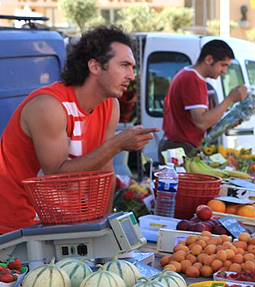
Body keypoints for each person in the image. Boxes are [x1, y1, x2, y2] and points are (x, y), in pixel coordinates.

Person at [0, 26, 158, 233]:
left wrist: (104, 224)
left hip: (56, 219)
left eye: (132, 67)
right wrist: (117, 145)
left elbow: (105, 171)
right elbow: (55, 178)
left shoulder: (110, 105)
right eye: (124, 65)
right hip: (15, 222)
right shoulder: (49, 106)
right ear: (94, 66)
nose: (132, 75)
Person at [159, 39, 247, 159]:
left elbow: (201, 120)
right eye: (223, 65)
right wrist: (230, 99)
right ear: (208, 59)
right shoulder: (192, 79)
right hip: (180, 148)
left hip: (180, 145)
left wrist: (228, 122)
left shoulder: (190, 76)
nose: (224, 71)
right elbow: (201, 122)